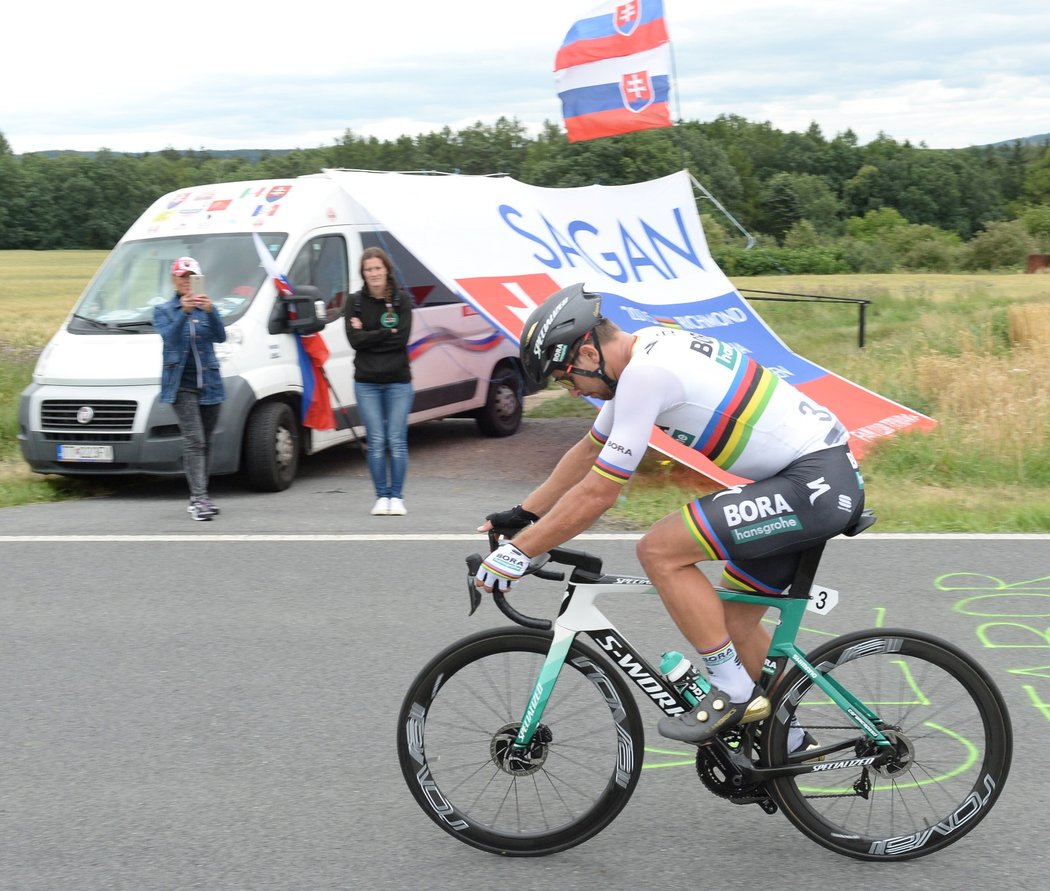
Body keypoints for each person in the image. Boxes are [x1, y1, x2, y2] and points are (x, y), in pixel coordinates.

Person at [475, 283, 865, 749]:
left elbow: (599, 493)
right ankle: (789, 739)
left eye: (565, 377)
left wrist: (519, 554)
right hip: (812, 477)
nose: (571, 389)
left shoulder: (645, 374)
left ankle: (735, 693)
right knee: (733, 624)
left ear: (587, 354)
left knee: (659, 550)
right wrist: (524, 514)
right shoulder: (644, 355)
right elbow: (589, 452)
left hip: (812, 484)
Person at [153, 257, 227, 521]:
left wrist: (212, 312)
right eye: (182, 277)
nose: (186, 281)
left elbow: (220, 336)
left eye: (191, 276)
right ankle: (199, 499)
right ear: (174, 280)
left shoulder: (205, 306)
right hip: (181, 386)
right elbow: (169, 338)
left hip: (209, 383)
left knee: (205, 441)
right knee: (194, 440)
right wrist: (183, 313)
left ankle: (200, 494)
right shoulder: (163, 311)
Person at [345, 246, 414, 516]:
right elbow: (354, 341)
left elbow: (402, 339)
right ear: (363, 273)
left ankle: (396, 496)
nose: (373, 273)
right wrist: (385, 332)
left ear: (387, 269)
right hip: (366, 382)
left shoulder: (401, 300)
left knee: (396, 439)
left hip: (398, 380)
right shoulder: (355, 302)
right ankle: (380, 496)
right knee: (375, 441)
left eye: (377, 268)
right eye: (368, 269)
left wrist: (369, 334)